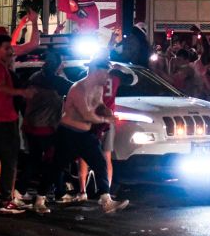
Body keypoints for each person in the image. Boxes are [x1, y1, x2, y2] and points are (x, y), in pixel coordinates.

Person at [54, 56, 129, 213]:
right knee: (57, 166)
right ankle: (40, 198)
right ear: (95, 71)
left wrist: (107, 111)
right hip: (68, 132)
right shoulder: (78, 88)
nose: (107, 76)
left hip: (85, 133)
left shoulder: (98, 87)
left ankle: (105, 199)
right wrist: (105, 118)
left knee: (100, 163)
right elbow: (87, 114)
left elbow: (98, 104)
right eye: (105, 72)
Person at [0, 34, 32, 213]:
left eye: (10, 48)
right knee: (9, 160)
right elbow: (1, 88)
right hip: (4, 119)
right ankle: (5, 200)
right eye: (6, 48)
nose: (10, 51)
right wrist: (21, 92)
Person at [22, 50, 69, 214]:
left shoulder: (34, 78)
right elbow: (75, 89)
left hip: (30, 124)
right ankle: (42, 197)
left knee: (33, 159)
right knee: (51, 162)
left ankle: (20, 191)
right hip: (47, 127)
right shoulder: (57, 82)